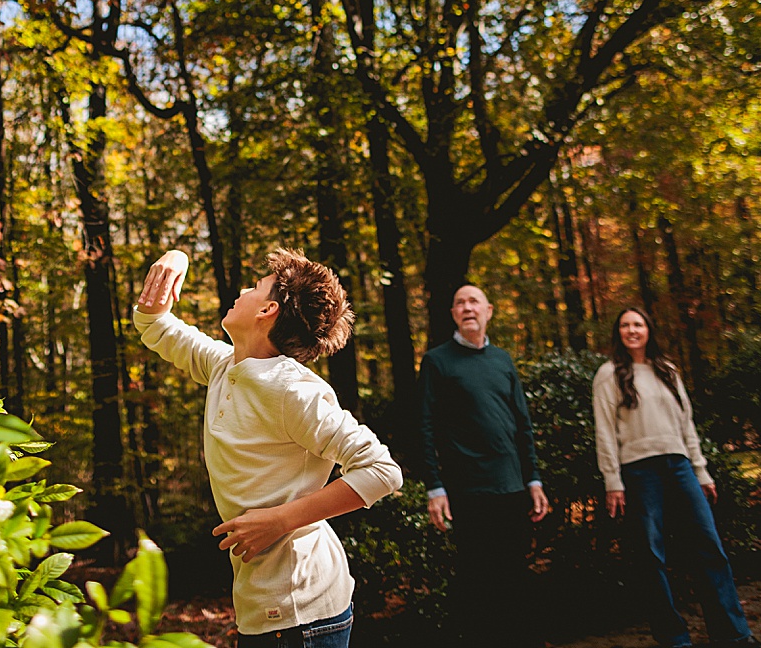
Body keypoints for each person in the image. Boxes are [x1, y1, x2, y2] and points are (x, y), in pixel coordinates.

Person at [134, 247, 402, 647]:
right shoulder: (225, 365)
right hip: (261, 609)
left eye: (255, 287)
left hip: (305, 614)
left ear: (268, 310)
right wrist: (176, 258)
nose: (242, 290)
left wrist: (279, 520)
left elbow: (382, 470)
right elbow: (155, 326)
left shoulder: (292, 389)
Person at [593, 307, 761, 648]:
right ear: (618, 332)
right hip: (639, 470)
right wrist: (613, 481)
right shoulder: (608, 373)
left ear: (648, 330)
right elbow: (604, 432)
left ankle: (733, 635)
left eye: (638, 324)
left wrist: (700, 470)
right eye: (625, 325)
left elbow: (686, 423)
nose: (632, 330)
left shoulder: (667, 369)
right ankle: (674, 639)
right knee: (651, 555)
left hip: (679, 466)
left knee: (709, 547)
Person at [419, 283, 550, 648]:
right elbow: (425, 427)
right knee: (478, 580)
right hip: (467, 490)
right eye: (459, 302)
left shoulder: (503, 361)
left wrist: (534, 479)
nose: (467, 307)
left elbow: (522, 424)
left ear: (489, 310)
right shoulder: (437, 361)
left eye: (474, 301)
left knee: (514, 575)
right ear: (453, 315)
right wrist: (435, 486)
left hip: (511, 487)